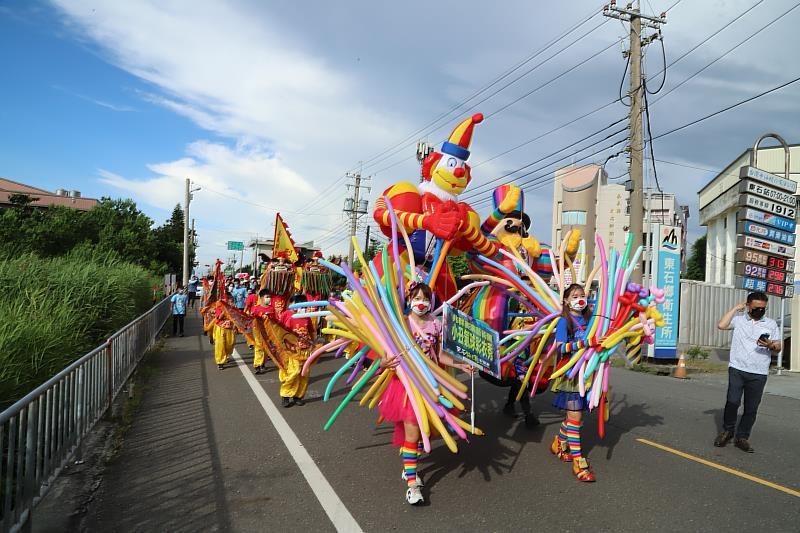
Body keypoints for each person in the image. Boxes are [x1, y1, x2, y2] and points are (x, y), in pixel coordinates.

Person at [377, 282, 474, 505]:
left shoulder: (436, 324)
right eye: (417, 297)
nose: (421, 302)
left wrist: (460, 365)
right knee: (412, 431)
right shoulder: (400, 323)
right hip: (407, 385)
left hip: (431, 384)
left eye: (426, 298)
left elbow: (440, 356)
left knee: (425, 430)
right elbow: (385, 357)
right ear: (409, 300)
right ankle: (412, 485)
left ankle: (408, 464)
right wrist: (385, 363)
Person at [714, 291, 780, 453]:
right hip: (737, 368)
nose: (760, 311)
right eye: (756, 308)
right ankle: (728, 431)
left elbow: (778, 348)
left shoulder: (771, 324)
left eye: (763, 308)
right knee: (732, 402)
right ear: (748, 306)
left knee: (751, 408)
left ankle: (742, 437)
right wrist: (736, 308)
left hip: (759, 372)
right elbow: (721, 325)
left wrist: (770, 345)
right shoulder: (738, 320)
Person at [550, 283, 596, 482]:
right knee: (575, 418)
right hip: (571, 374)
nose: (580, 299)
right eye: (575, 295)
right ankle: (579, 462)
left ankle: (559, 442)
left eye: (582, 295)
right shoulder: (563, 322)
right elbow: (560, 348)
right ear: (567, 301)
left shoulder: (591, 319)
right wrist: (583, 343)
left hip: (588, 374)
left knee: (576, 418)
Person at [278, 293, 315, 407]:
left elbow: (311, 332)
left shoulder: (307, 318)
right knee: (294, 372)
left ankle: (298, 396)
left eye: (305, 307)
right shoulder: (291, 318)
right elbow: (283, 333)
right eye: (301, 307)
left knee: (304, 374)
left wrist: (313, 344)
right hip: (293, 350)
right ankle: (286, 395)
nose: (303, 309)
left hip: (306, 351)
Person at [250, 290, 275, 375]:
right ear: (261, 298)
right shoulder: (256, 308)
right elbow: (251, 317)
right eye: (267, 297)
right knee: (259, 346)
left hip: (268, 331)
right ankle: (257, 365)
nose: (269, 299)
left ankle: (262, 363)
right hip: (258, 330)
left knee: (266, 348)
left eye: (269, 297)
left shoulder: (272, 308)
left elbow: (274, 321)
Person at [211, 304, 236, 370]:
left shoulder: (232, 306)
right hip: (220, 328)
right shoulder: (219, 306)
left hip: (230, 328)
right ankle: (220, 362)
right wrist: (225, 310)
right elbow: (219, 317)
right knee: (220, 345)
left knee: (230, 344)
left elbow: (235, 317)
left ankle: (226, 356)